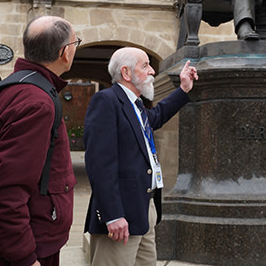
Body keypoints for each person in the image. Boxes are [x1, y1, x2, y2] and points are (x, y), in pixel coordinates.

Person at [83, 48, 197, 266]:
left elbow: (157, 116)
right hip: (121, 216)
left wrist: (183, 89)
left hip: (144, 210)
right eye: (145, 66)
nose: (152, 71)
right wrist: (113, 215)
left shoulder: (136, 105)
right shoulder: (106, 101)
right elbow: (100, 165)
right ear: (126, 73)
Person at [0, 16, 79, 266]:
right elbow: (6, 191)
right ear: (64, 53)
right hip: (31, 244)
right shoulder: (35, 102)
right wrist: (24, 256)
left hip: (33, 237)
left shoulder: (21, 87)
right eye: (76, 42)